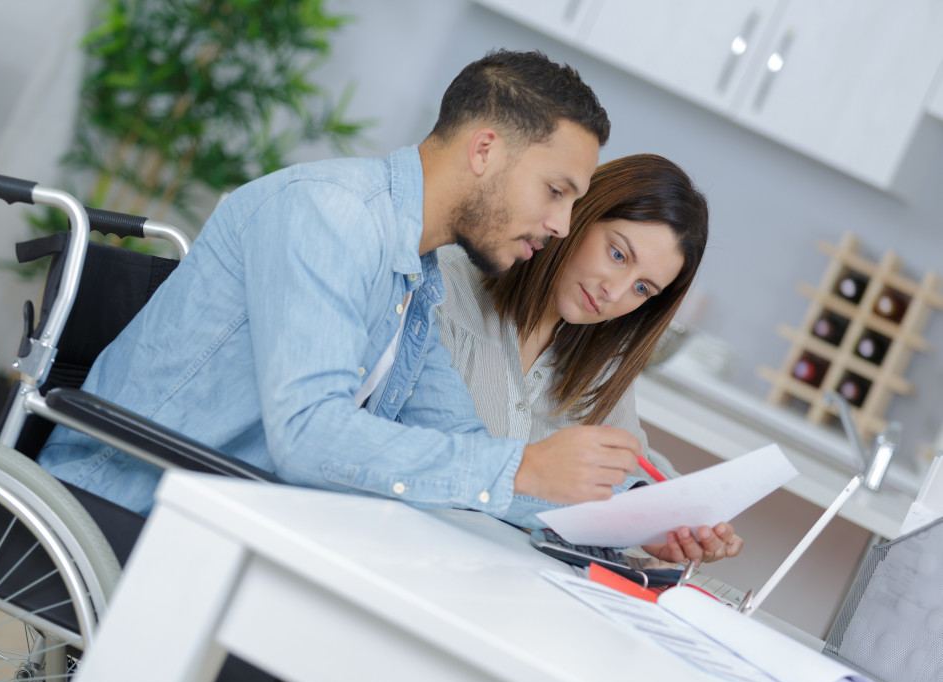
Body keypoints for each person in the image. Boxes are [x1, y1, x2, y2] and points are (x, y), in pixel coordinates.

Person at [38, 48, 645, 526]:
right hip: (127, 500)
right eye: (556, 190)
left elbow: (459, 442)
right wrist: (521, 468)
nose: (562, 225)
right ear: (485, 150)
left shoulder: (415, 270)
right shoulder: (333, 216)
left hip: (221, 509)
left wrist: (627, 521)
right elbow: (307, 436)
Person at [437, 153, 742, 563]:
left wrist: (673, 522)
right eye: (618, 255)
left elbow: (634, 464)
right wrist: (618, 514)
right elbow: (439, 458)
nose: (614, 293)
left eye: (642, 289)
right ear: (579, 215)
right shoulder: (445, 288)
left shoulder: (601, 357)